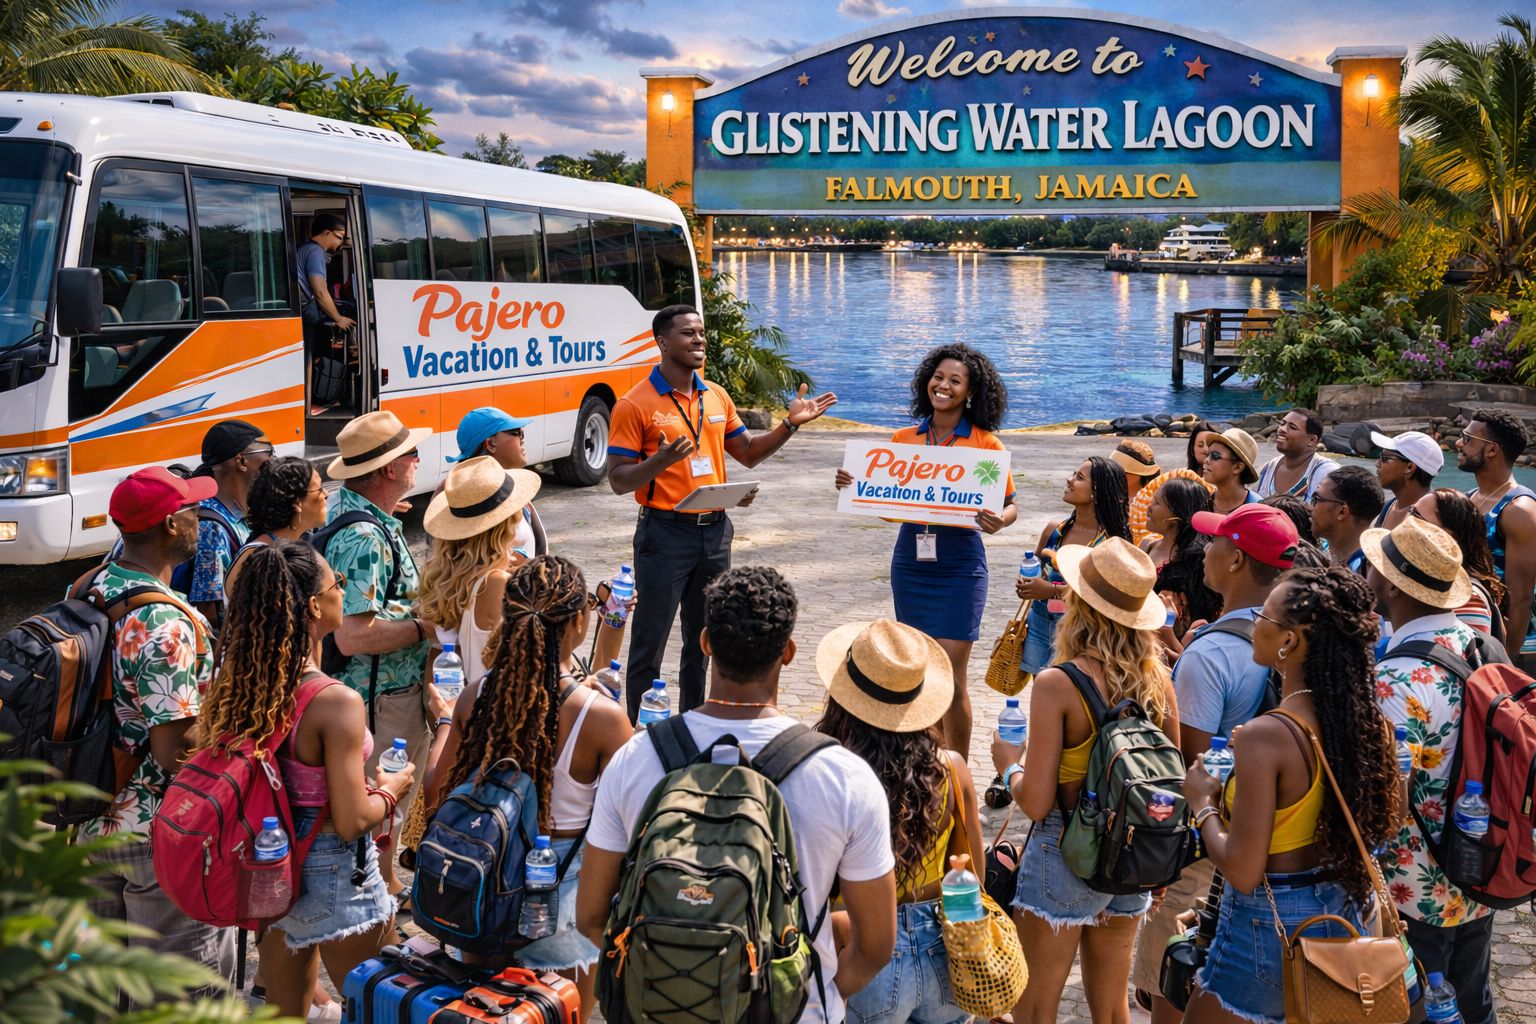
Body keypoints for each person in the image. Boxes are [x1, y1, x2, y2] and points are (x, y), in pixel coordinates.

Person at [578, 567, 897, 1024]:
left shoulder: (637, 757)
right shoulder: (843, 775)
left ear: (705, 643)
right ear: (788, 653)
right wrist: (817, 992)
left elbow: (591, 916)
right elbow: (876, 946)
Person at [197, 542, 408, 1019]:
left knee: (282, 1010)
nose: (344, 593)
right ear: (314, 606)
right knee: (388, 1006)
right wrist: (391, 790)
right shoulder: (335, 702)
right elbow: (354, 819)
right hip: (335, 871)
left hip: (272, 869)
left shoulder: (242, 687)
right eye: (338, 585)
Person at [1182, 566, 1400, 1024]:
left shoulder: (1267, 737)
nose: (1255, 620)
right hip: (1347, 911)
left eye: (1264, 614)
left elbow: (1242, 869)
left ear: (1290, 641)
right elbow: (1387, 823)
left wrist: (1202, 801)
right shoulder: (1371, 725)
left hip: (1270, 923)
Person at [606, 305, 836, 720]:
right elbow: (619, 479)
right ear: (661, 341)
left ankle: (695, 723)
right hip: (663, 535)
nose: (699, 340)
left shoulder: (716, 395)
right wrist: (659, 461)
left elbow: (746, 453)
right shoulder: (634, 404)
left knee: (704, 638)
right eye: (688, 333)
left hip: (714, 532)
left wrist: (790, 424)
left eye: (701, 332)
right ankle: (641, 732)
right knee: (650, 640)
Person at [426, 555, 631, 1015]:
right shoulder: (600, 719)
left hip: (481, 892)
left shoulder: (475, 695)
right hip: (563, 902)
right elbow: (636, 819)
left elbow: (436, 790)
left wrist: (445, 720)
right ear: (579, 621)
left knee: (486, 1014)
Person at [991, 538, 1179, 1024]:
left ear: (1078, 605)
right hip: (1134, 850)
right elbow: (1171, 778)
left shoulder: (1060, 683)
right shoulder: (1160, 681)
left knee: (1034, 1010)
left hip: (1064, 850)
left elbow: (1035, 803)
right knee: (1112, 1010)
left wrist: (1007, 763)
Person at [1130, 504, 1298, 1021]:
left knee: (1171, 984)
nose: (1206, 550)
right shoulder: (1287, 636)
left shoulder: (1211, 653)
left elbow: (1192, 760)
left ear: (1237, 561)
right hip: (1272, 831)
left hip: (1211, 846)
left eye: (1218, 542)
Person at [82, 467, 234, 989]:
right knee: (178, 992)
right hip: (153, 832)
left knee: (107, 989)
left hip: (86, 810)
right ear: (171, 525)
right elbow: (174, 750)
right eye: (192, 508)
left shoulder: (90, 586)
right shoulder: (165, 622)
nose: (200, 516)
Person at [832, 342, 1017, 752]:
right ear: (926, 382)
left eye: (955, 381)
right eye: (938, 377)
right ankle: (922, 766)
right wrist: (856, 486)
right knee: (917, 670)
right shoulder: (903, 438)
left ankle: (958, 772)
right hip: (911, 562)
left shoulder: (986, 445)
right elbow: (889, 509)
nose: (943, 386)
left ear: (970, 392)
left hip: (961, 565)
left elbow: (1010, 508)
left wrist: (997, 522)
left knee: (950, 675)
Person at [1366, 515, 1500, 1023]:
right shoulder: (1485, 650)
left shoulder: (1393, 680)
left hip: (1414, 884)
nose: (1369, 577)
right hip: (1477, 865)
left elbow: (1386, 801)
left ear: (1395, 589)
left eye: (1377, 569)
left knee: (1417, 1008)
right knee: (1473, 1000)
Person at [816, 619, 981, 1024]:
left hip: (861, 947)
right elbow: (973, 874)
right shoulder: (952, 769)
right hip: (946, 953)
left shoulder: (832, 774)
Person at [323, 410, 446, 890]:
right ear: (388, 470)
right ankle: (377, 892)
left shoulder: (359, 514)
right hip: (382, 696)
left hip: (378, 693)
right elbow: (352, 636)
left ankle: (386, 883)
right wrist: (424, 627)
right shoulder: (365, 537)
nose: (418, 461)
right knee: (382, 798)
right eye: (411, 454)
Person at [418, 456, 542, 685]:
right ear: (504, 523)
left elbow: (438, 656)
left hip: (459, 701)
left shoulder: (446, 573)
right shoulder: (496, 582)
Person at [1017, 456, 1131, 681]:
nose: (1069, 480)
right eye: (1073, 474)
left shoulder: (1109, 543)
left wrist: (1050, 590)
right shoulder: (1055, 531)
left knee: (1074, 687)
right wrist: (1027, 583)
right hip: (1039, 620)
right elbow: (1038, 570)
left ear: (1096, 492)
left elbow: (1103, 594)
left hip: (1081, 627)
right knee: (1041, 685)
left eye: (1079, 478)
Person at [1458, 408, 1536, 669]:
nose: (1459, 443)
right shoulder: (1470, 498)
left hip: (1503, 646)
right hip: (1472, 633)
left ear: (1492, 450)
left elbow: (1521, 597)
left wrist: (1504, 665)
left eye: (1467, 439)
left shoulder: (1519, 510)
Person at [187, 419, 271, 625]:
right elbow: (209, 612)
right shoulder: (211, 527)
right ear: (241, 461)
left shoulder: (236, 513)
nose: (273, 459)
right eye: (269, 451)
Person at [441, 407, 546, 555]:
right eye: (516, 432)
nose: (522, 438)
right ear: (490, 444)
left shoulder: (508, 488)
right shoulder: (480, 501)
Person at [1411, 488, 1507, 638]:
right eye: (1411, 511)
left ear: (1447, 535)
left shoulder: (1467, 598)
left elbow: (1465, 656)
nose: (1407, 520)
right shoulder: (1431, 579)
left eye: (1416, 516)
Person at [226, 456, 330, 591]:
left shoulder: (284, 546)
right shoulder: (265, 560)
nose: (326, 494)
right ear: (296, 503)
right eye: (319, 489)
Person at [1141, 476, 1220, 637]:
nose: (1149, 507)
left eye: (1156, 503)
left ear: (1174, 518)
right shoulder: (1147, 545)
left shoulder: (1196, 561)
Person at [298, 213, 355, 411]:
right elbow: (320, 291)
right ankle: (310, 404)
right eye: (339, 238)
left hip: (304, 314)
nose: (340, 244)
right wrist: (338, 318)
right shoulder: (315, 252)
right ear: (327, 233)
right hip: (307, 315)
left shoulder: (304, 249)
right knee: (310, 358)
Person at [1129, 421, 1217, 545]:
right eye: (1200, 445)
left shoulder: (1218, 492)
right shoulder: (1176, 479)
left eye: (1211, 447)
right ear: (1192, 449)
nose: (1206, 450)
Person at [1309, 465, 1384, 573]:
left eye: (1316, 499)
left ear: (1342, 511)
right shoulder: (1320, 551)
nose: (1310, 507)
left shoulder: (1363, 572)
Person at [1253, 408, 1338, 500]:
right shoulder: (1268, 468)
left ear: (1311, 440)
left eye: (1293, 427)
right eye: (1282, 424)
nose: (1282, 429)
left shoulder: (1328, 474)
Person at [1372, 428, 1442, 529]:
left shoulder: (1429, 521)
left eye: (1384, 458)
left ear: (1409, 467)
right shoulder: (1389, 507)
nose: (1377, 464)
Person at [1201, 428, 1261, 515]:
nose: (1206, 460)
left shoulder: (1257, 509)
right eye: (1207, 455)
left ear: (1238, 467)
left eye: (1215, 456)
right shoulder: (1202, 503)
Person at [1112, 439, 1161, 506]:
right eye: (1110, 471)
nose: (1112, 475)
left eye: (1121, 472)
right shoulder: (1107, 496)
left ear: (1140, 473)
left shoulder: (1153, 503)